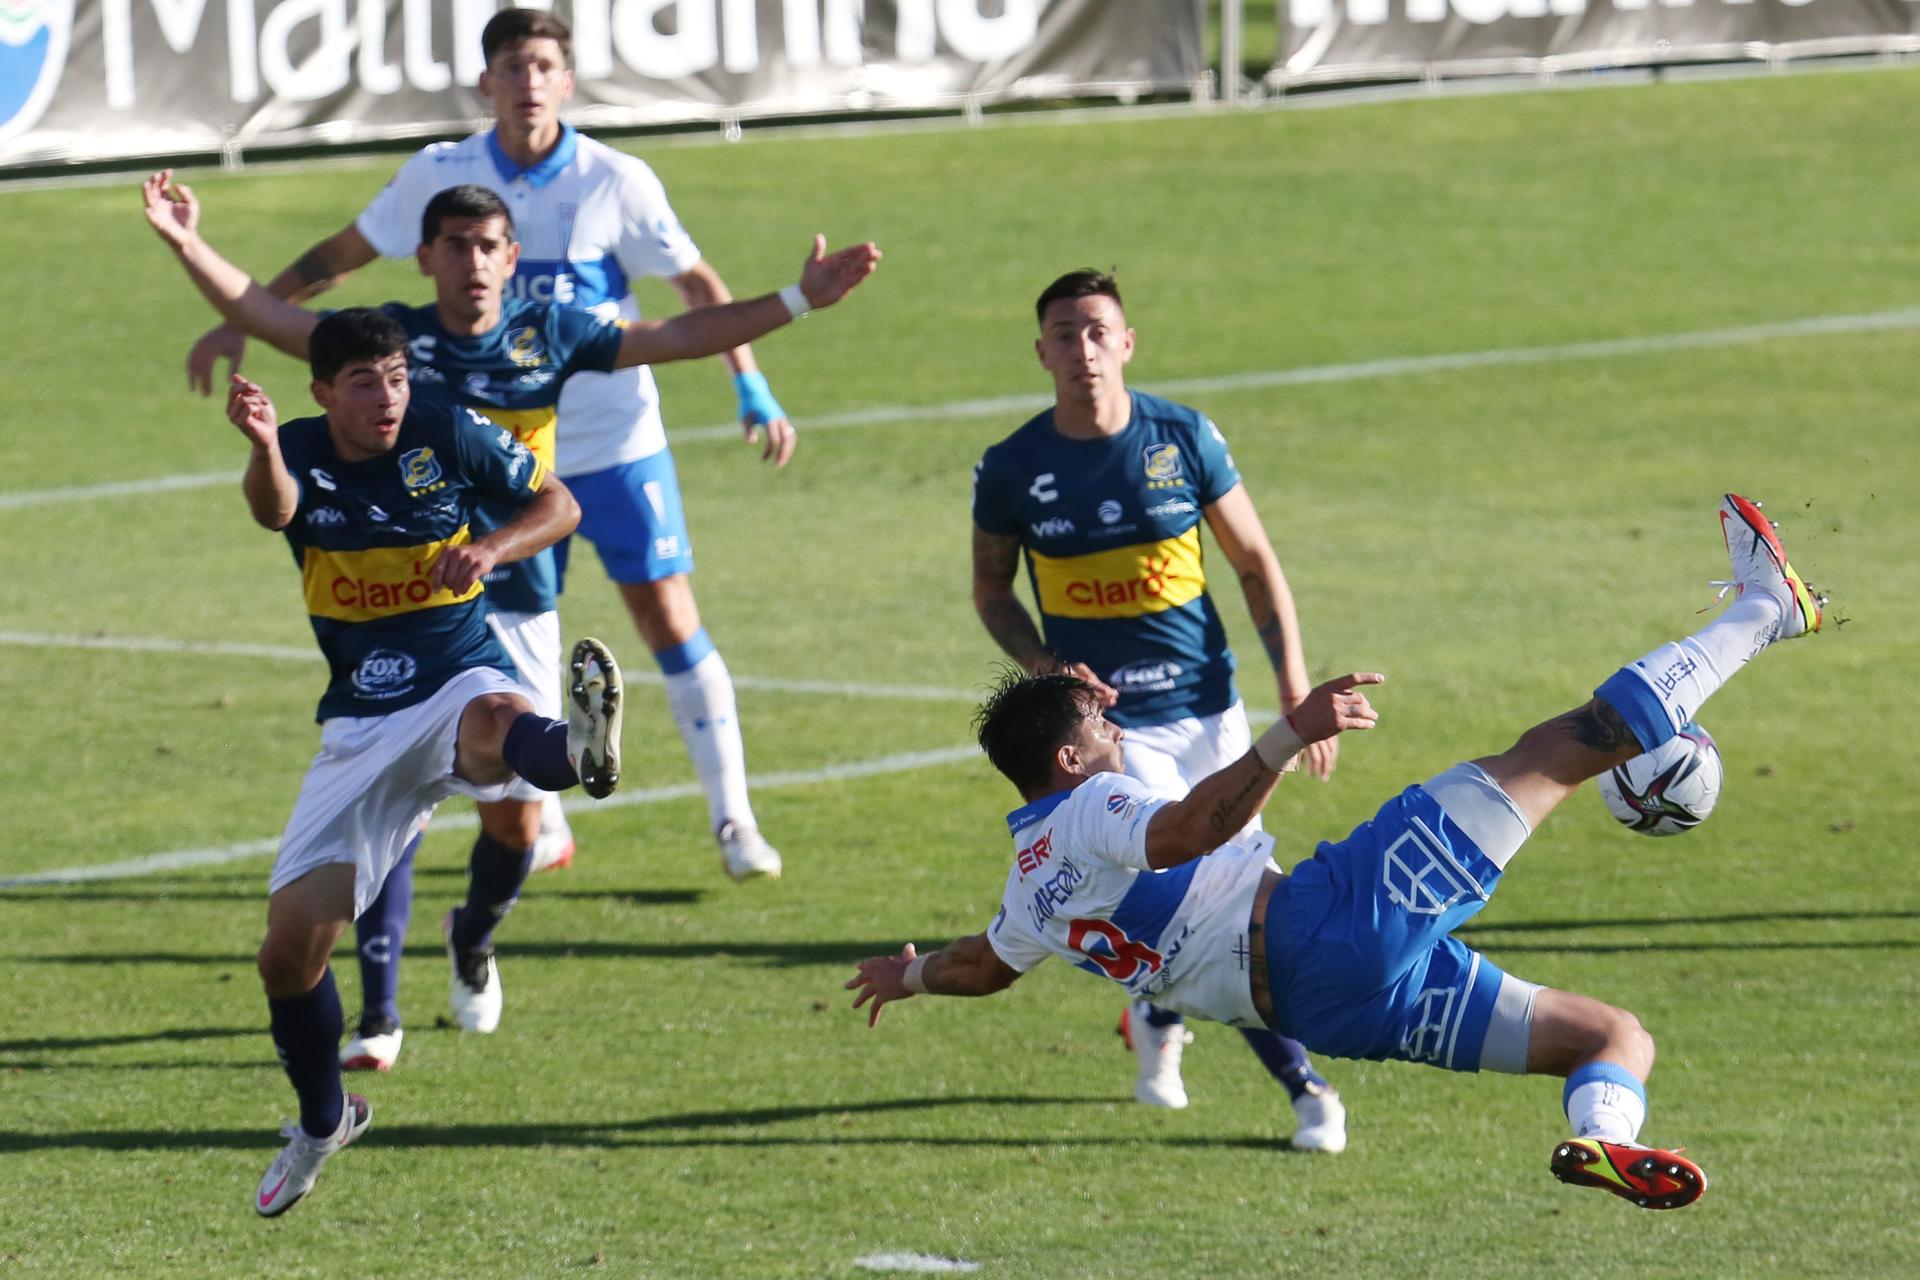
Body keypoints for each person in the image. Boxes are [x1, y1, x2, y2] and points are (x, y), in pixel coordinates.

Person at [852, 493, 1826, 1209]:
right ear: (1067, 759)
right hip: (1331, 923)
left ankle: (1603, 1138)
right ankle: (1767, 607)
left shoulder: (1029, 888)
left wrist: (913, 974)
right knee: (1573, 742)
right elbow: (1189, 828)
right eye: (1096, 726)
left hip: (1329, 1009)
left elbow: (984, 965)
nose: (1114, 729)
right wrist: (1288, 731)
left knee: (1615, 1037)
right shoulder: (1094, 805)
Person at [143, 172, 878, 1070]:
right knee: (390, 800)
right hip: (400, 589)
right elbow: (266, 311)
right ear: (429, 258)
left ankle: (475, 937)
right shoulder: (391, 343)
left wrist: (801, 298)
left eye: (488, 246)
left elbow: (680, 335)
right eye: (455, 245)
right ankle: (377, 1013)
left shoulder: (547, 334)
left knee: (517, 822)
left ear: (511, 257)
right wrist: (184, 244)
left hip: (511, 586)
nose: (473, 263)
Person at [184, 7, 801, 882]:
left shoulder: (615, 178)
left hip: (612, 440)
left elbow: (691, 290)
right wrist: (237, 322)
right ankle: (533, 803)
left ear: (568, 78)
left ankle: (735, 820)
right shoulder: (441, 176)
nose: (528, 83)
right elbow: (340, 254)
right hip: (483, 464)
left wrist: (750, 378)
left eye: (544, 65)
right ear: (487, 81)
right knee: (493, 628)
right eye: (512, 66)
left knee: (665, 617)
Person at [225, 307, 627, 1215]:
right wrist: (259, 444)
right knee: (287, 957)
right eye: (365, 382)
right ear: (324, 390)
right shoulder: (294, 448)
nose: (388, 398)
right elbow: (274, 510)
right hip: (362, 724)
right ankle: (323, 1120)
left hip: (456, 673)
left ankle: (578, 747)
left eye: (398, 377)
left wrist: (488, 545)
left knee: (497, 719)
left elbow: (558, 503)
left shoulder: (446, 427)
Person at [970, 269, 1344, 1149]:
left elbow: (1254, 563)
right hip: (1110, 740)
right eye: (1065, 334)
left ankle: (1154, 1021)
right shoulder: (1014, 467)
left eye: (1099, 331)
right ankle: (1305, 1087)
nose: (1083, 350)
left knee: (1196, 900)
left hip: (1212, 707)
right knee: (1219, 900)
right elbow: (991, 591)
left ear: (1127, 342)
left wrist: (1291, 685)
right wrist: (1050, 671)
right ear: (1041, 352)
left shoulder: (1182, 438)